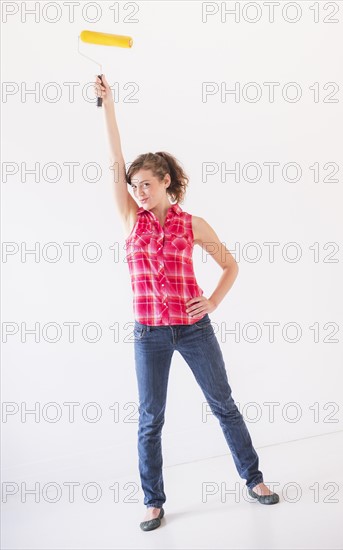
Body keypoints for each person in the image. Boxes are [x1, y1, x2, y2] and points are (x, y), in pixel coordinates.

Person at [95, 74, 279, 531]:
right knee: (151, 418)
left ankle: (253, 479)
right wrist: (109, 104)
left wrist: (212, 302)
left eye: (147, 184)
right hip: (149, 333)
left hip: (193, 329)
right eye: (134, 184)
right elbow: (114, 158)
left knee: (223, 404)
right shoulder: (129, 220)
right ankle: (153, 501)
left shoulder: (192, 224)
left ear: (166, 182)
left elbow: (230, 266)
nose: (139, 190)